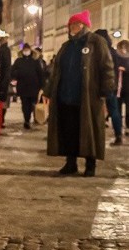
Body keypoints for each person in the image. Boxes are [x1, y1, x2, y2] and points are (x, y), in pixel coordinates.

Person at [43, 11, 114, 177]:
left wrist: (106, 91)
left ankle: (90, 165)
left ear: (85, 25)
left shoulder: (97, 42)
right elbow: (56, 71)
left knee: (89, 130)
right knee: (69, 131)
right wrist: (48, 90)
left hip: (88, 97)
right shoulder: (66, 46)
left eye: (76, 24)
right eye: (71, 25)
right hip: (66, 97)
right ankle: (71, 162)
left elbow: (107, 67)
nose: (73, 27)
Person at [94, 29, 124, 146]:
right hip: (112, 85)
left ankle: (96, 136)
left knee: (96, 110)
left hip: (101, 85)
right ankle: (118, 135)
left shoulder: (99, 51)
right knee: (114, 110)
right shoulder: (114, 52)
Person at [11, 42, 45, 129]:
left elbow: (40, 74)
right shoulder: (18, 61)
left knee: (31, 104)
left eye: (27, 50)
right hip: (23, 87)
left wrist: (42, 86)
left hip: (33, 87)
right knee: (25, 104)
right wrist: (15, 76)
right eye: (24, 50)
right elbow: (12, 72)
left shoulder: (35, 61)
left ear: (30, 50)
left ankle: (31, 118)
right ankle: (27, 120)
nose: (26, 51)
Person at [116, 39, 129, 136]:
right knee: (117, 108)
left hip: (126, 86)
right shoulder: (116, 57)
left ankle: (128, 127)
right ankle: (119, 127)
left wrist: (126, 69)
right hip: (118, 87)